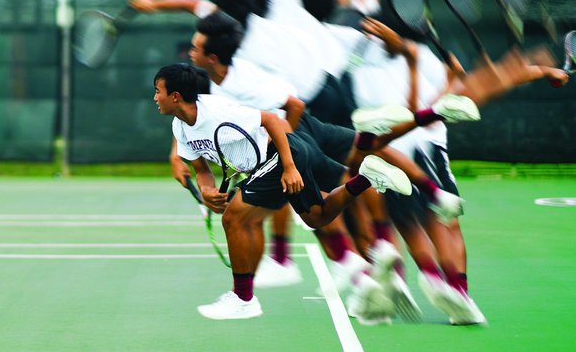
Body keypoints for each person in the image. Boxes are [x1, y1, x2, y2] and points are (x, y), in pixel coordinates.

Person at [153, 62, 413, 320]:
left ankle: (243, 299)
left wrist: (289, 167)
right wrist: (207, 190)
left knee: (233, 218)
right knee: (316, 217)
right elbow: (201, 169)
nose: (155, 98)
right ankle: (366, 177)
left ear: (175, 96)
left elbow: (272, 120)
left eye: (158, 91)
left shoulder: (218, 111)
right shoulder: (180, 126)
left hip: (279, 154)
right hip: (284, 156)